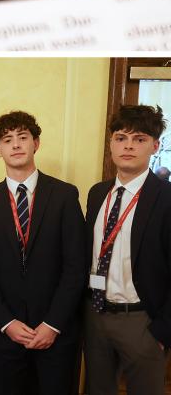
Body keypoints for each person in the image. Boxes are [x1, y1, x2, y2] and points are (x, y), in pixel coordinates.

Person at [0, 111, 87, 394]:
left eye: (23, 137)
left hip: (56, 331)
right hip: (9, 332)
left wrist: (53, 324)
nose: (16, 145)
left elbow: (76, 266)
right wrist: (7, 323)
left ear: (36, 143)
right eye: (7, 140)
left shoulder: (65, 196)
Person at [84, 105, 171, 395]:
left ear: (155, 145)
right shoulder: (98, 194)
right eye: (121, 138)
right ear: (111, 144)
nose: (129, 146)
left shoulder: (166, 198)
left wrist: (162, 332)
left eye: (139, 139)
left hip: (142, 321)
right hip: (96, 316)